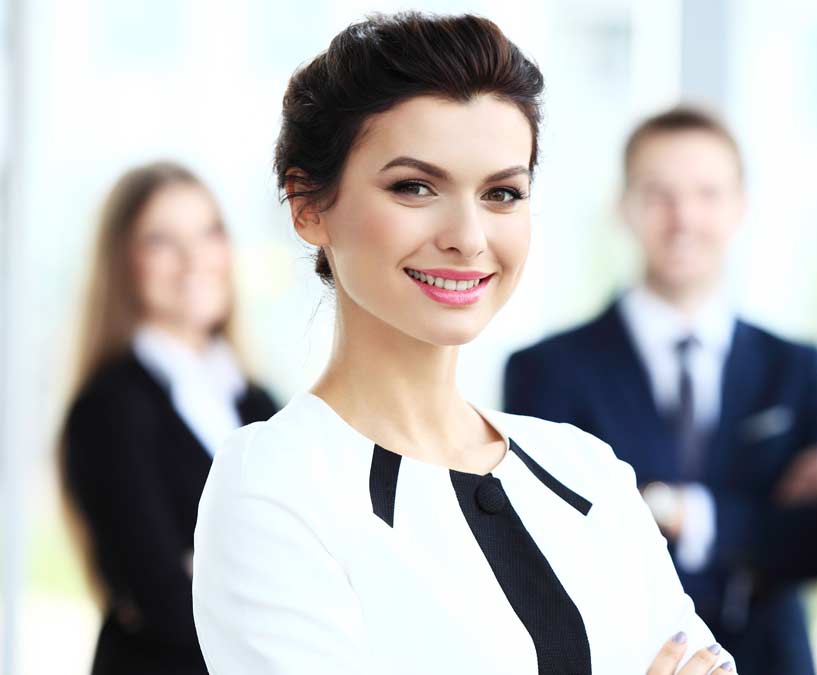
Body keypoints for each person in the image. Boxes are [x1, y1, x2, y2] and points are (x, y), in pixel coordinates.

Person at [191, 13, 735, 674]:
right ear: (308, 204)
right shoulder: (278, 482)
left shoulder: (588, 471)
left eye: (502, 193)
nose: (468, 236)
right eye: (415, 187)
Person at [504, 106, 817, 675]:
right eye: (659, 194)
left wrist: (685, 512)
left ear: (740, 207)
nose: (683, 217)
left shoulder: (798, 371)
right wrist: (757, 521)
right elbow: (551, 542)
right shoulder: (548, 371)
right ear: (624, 206)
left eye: (707, 194)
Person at [59, 161, 278, 675]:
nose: (193, 260)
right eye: (161, 241)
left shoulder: (256, 400)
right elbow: (161, 596)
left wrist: (208, 569)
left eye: (209, 233)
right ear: (124, 262)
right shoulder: (108, 407)